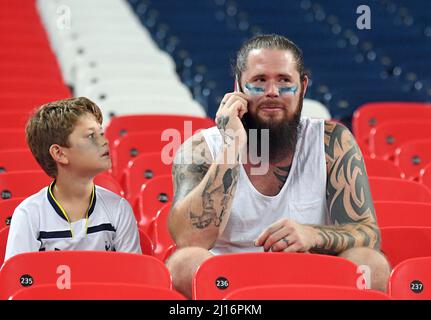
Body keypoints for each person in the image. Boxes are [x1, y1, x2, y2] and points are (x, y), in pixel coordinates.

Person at [166, 34, 391, 298]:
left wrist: (313, 234)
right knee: (185, 262)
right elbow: (189, 240)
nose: (272, 92)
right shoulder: (199, 149)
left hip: (311, 278)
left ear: (303, 86)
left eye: (284, 81)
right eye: (259, 81)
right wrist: (232, 144)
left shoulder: (332, 141)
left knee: (371, 263)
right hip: (230, 283)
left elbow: (367, 232)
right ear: (238, 86)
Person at [4, 97, 141, 262]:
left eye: (102, 133)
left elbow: (134, 278)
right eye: (91, 136)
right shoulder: (29, 214)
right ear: (59, 153)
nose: (104, 141)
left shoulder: (119, 208)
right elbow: (18, 282)